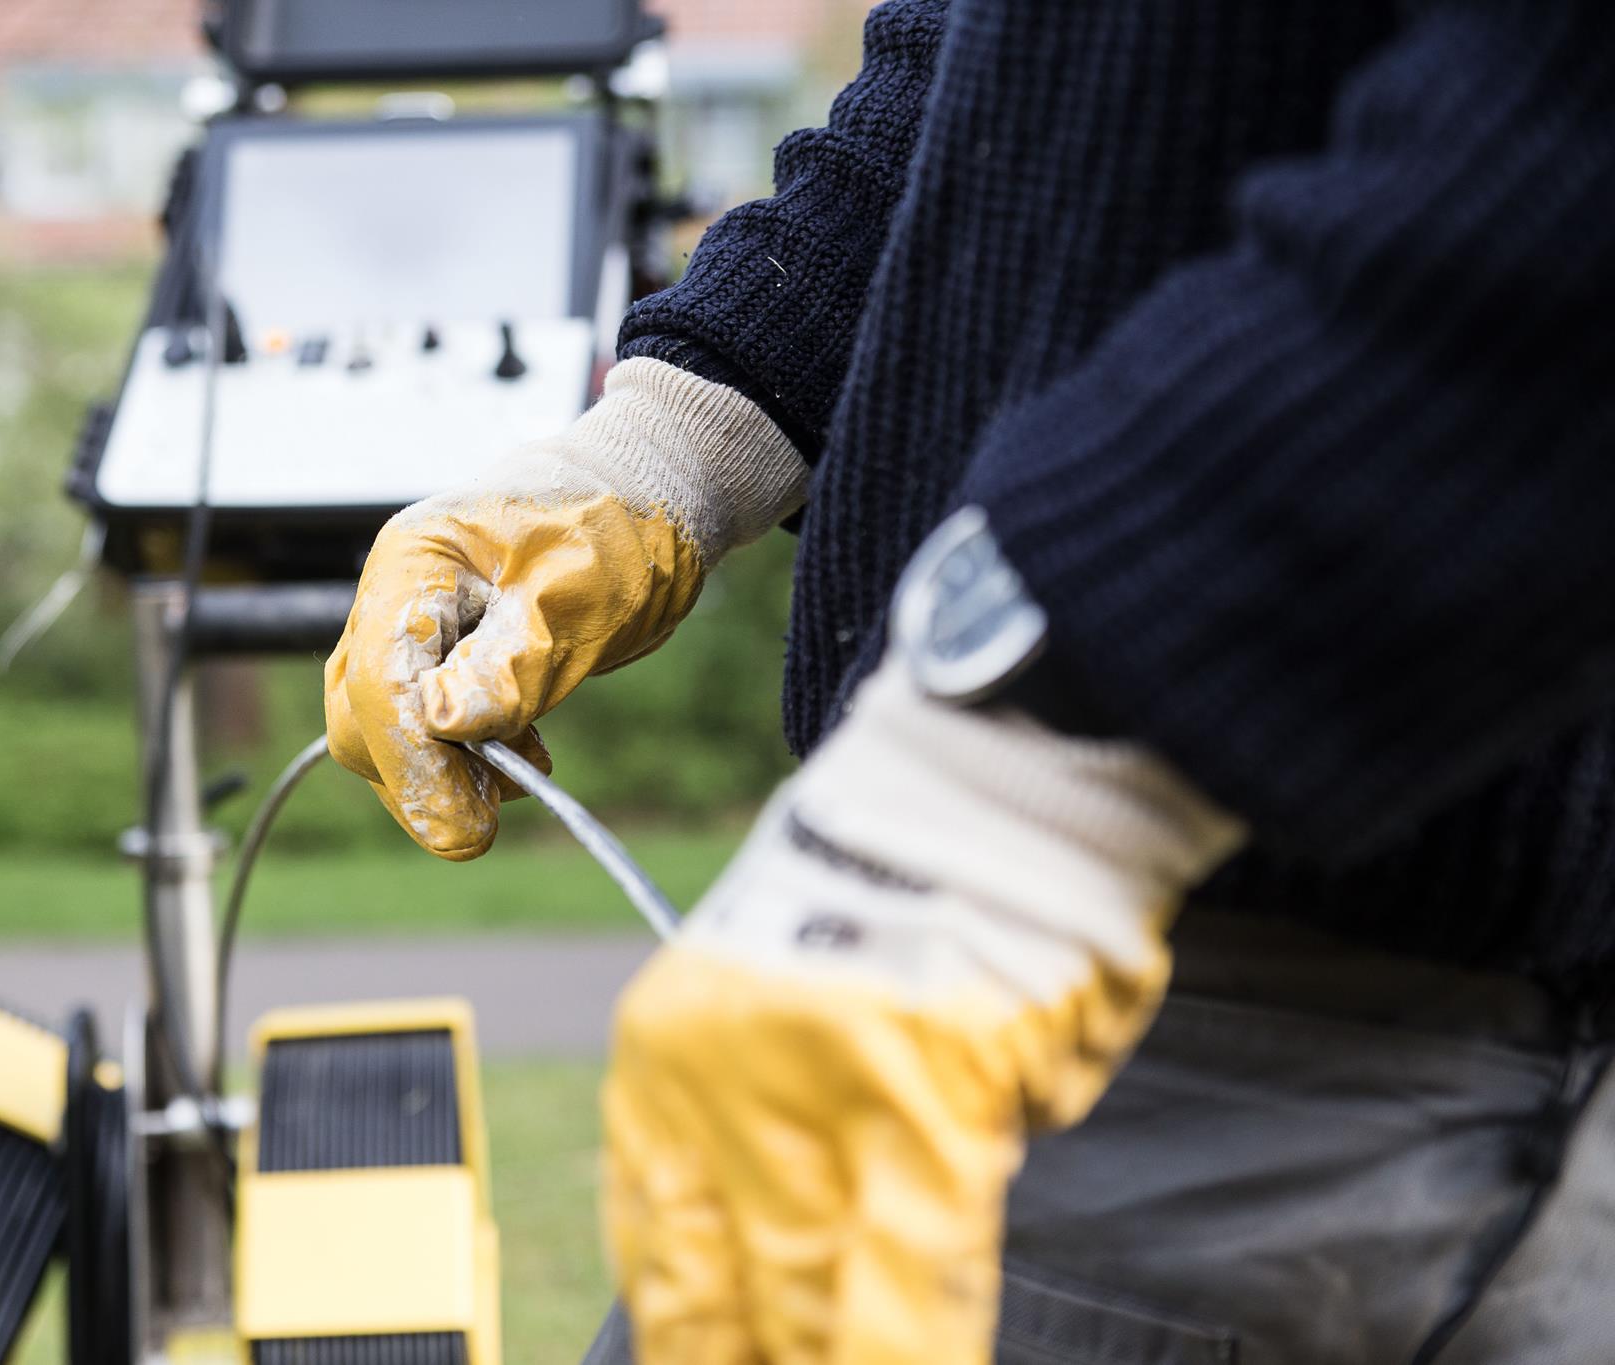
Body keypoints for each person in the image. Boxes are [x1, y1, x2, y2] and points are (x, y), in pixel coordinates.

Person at [324, 0, 1615, 1360]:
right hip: (1028, 962)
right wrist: (678, 433)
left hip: (1282, 1025)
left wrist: (1063, 730)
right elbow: (1012, 70)